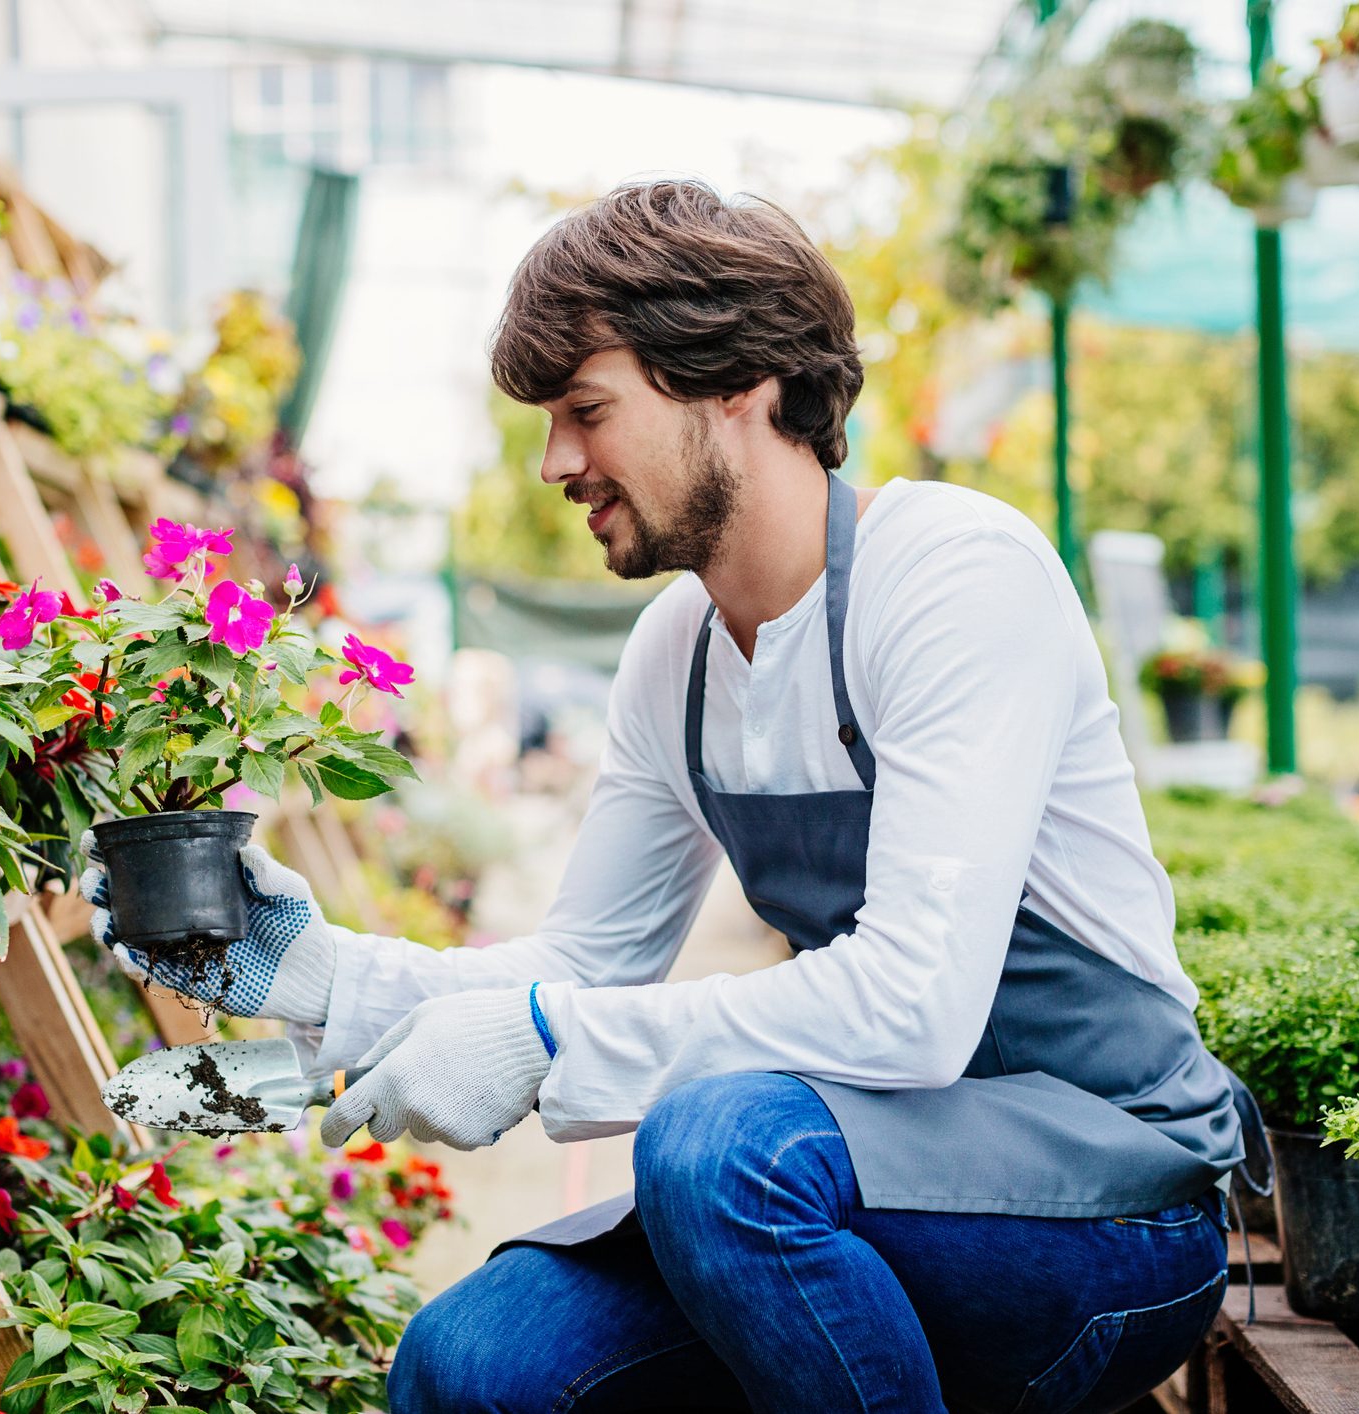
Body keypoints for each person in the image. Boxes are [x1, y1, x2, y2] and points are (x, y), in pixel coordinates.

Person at [85, 180, 1265, 1414]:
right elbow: (589, 960)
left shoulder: (953, 577)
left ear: (738, 383)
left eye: (587, 410)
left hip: (1110, 1199)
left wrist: (551, 1041)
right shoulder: (678, 657)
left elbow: (915, 1004)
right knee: (470, 1361)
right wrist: (316, 974)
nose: (557, 462)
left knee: (714, 1149)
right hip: (852, 1185)